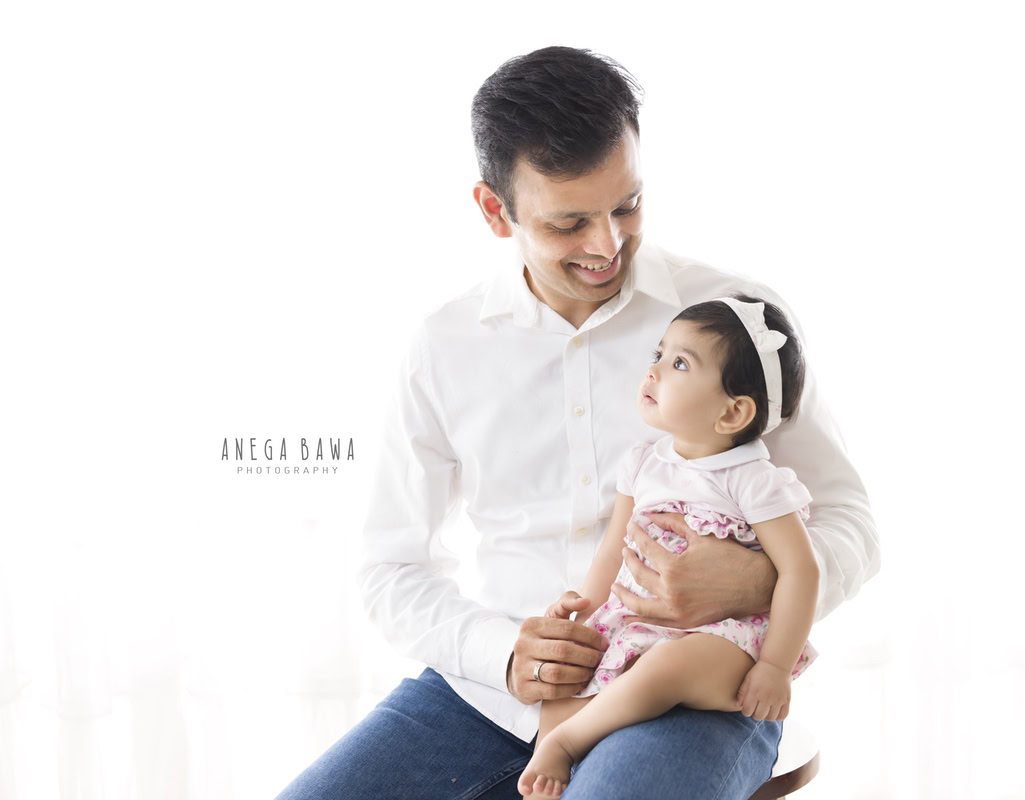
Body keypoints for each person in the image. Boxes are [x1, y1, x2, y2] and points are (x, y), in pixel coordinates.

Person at [275, 45, 878, 800]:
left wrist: (760, 579)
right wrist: (502, 653)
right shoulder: (445, 344)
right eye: (569, 223)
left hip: (689, 686)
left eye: (627, 205)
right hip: (491, 696)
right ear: (496, 211)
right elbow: (390, 565)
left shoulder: (736, 322)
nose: (608, 244)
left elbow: (852, 519)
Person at [518, 294, 822, 799]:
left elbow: (800, 571)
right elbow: (614, 550)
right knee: (569, 679)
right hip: (636, 622)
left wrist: (774, 667)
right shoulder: (643, 464)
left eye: (679, 363)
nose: (654, 370)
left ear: (732, 413)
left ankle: (569, 744)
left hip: (720, 640)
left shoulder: (753, 480)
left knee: (667, 668)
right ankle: (548, 757)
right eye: (657, 355)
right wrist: (585, 618)